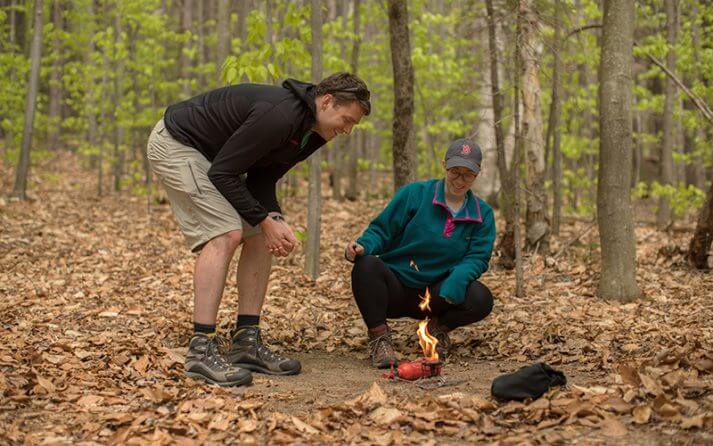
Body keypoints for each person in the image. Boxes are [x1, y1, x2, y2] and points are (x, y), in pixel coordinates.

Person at [147, 73, 371, 386]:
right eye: (346, 120)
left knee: (256, 234)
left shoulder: (313, 132)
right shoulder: (279, 116)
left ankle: (246, 343)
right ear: (327, 100)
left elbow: (262, 178)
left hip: (214, 160)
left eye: (353, 125)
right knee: (225, 232)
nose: (347, 130)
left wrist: (272, 219)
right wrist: (265, 220)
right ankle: (200, 350)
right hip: (178, 144)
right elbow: (223, 173)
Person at [345, 138, 495, 368]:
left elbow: (478, 257)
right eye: (455, 171)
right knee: (366, 266)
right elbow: (382, 230)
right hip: (397, 286)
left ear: (477, 174)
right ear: (444, 165)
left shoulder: (482, 213)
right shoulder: (415, 194)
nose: (460, 180)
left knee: (481, 298)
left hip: (439, 294)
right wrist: (364, 245)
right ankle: (380, 339)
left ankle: (437, 329)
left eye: (468, 174)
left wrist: (458, 279)